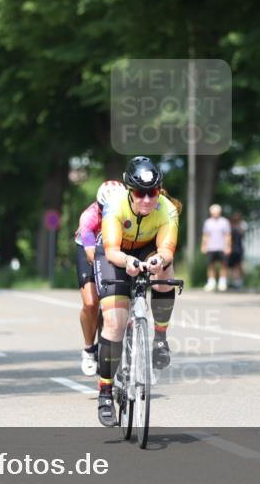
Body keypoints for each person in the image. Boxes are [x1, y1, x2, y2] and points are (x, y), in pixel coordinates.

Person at [94, 157, 181, 426]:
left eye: (152, 193)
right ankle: (106, 392)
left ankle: (160, 338)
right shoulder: (114, 206)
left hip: (147, 249)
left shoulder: (167, 210)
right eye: (140, 193)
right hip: (115, 254)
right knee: (114, 323)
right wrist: (127, 262)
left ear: (159, 191)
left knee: (165, 271)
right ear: (129, 190)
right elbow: (111, 251)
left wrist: (158, 260)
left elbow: (166, 250)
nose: (146, 199)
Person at [74, 180, 126, 376]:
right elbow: (90, 253)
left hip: (115, 250)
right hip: (89, 251)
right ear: (99, 205)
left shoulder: (128, 211)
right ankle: (89, 349)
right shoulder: (89, 216)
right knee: (91, 303)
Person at [201, 204, 231, 291]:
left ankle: (222, 282)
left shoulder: (224, 222)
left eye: (217, 212)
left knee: (224, 265)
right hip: (211, 247)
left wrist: (228, 246)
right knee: (210, 265)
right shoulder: (208, 222)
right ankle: (211, 282)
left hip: (222, 247)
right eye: (213, 212)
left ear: (219, 212)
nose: (215, 214)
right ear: (211, 213)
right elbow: (205, 235)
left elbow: (227, 235)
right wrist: (204, 245)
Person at [228, 211, 247, 289]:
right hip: (231, 248)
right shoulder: (230, 225)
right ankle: (229, 281)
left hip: (238, 248)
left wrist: (237, 225)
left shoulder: (243, 224)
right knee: (230, 266)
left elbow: (242, 234)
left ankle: (239, 281)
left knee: (238, 265)